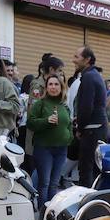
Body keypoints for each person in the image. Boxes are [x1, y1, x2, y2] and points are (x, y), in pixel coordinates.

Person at [27, 74, 72, 206]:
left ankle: (51, 214)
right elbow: (31, 123)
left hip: (61, 149)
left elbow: (69, 125)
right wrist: (46, 121)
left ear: (61, 87)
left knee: (54, 183)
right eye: (50, 84)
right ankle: (42, 212)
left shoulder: (65, 106)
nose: (53, 87)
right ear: (46, 87)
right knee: (44, 183)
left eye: (56, 84)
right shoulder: (40, 104)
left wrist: (69, 138)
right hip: (44, 148)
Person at [71, 46, 109, 186]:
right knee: (95, 169)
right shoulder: (94, 75)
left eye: (76, 57)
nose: (73, 60)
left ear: (87, 60)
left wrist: (80, 128)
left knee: (86, 170)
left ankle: (87, 202)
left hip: (92, 130)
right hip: (97, 128)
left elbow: (86, 106)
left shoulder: (88, 77)